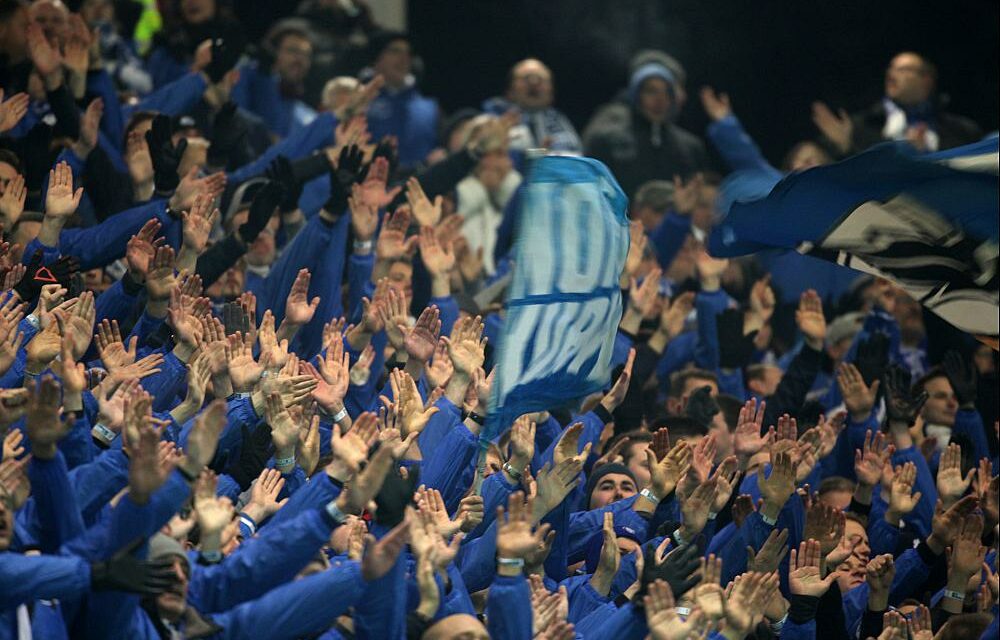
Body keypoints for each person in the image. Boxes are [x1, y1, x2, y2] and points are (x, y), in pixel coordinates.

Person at [582, 50, 709, 198]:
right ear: (636, 94)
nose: (659, 100)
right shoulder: (606, 138)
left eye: (667, 92)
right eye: (650, 91)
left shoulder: (691, 148)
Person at [813, 51, 983, 155]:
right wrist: (845, 147)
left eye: (902, 70)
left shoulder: (963, 130)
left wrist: (926, 155)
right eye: (890, 69)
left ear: (926, 81)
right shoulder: (862, 126)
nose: (891, 75)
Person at [482, 58, 581, 167]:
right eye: (526, 78)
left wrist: (537, 154)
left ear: (551, 91)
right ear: (510, 89)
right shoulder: (495, 114)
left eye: (541, 79)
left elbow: (572, 153)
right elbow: (489, 152)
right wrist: (540, 153)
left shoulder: (556, 119)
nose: (534, 83)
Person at [362, 30, 438, 169]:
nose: (404, 59)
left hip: (416, 186)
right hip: (368, 185)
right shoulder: (357, 101)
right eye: (395, 51)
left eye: (408, 53)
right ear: (376, 58)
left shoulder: (429, 108)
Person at [231, 20, 317, 139]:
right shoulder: (245, 77)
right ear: (272, 52)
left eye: (306, 55)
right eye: (293, 51)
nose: (300, 60)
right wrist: (267, 77)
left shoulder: (308, 116)